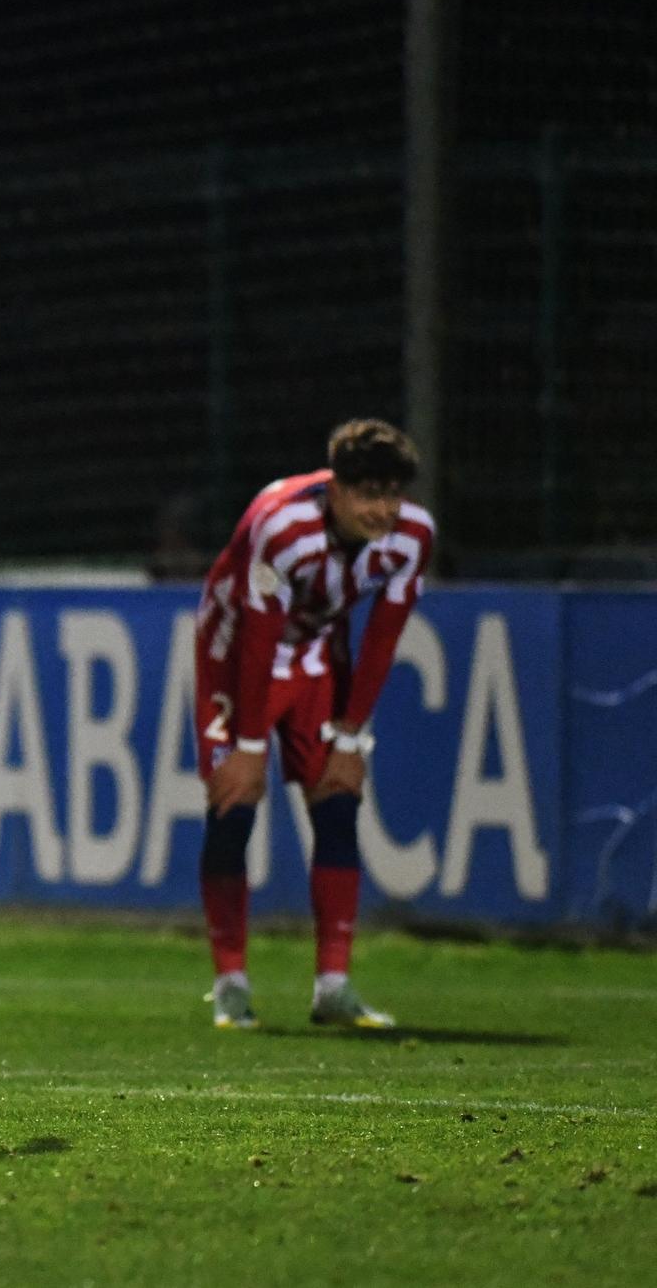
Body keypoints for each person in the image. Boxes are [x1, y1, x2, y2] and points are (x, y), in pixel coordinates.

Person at [193, 418, 434, 1031]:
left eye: (392, 494)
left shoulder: (412, 537)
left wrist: (352, 737)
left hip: (315, 656)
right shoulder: (280, 521)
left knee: (336, 801)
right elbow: (255, 634)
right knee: (234, 806)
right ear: (335, 490)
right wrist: (248, 746)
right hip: (235, 651)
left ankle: (334, 984)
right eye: (366, 494)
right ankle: (230, 983)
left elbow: (382, 636)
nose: (382, 510)